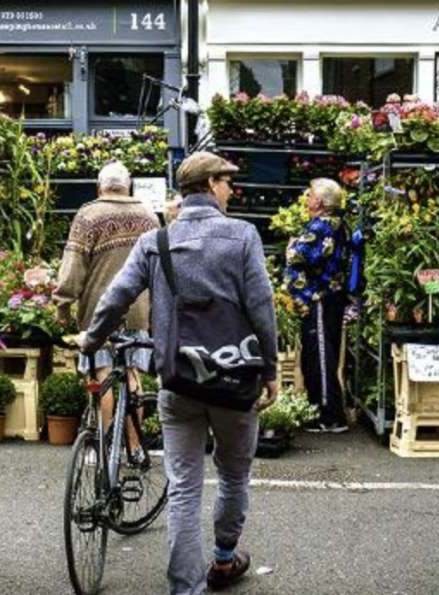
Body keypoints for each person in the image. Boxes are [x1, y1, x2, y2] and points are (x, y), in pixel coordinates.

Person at [79, 151, 279, 595]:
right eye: (227, 181)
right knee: (231, 475)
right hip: (235, 378)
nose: (231, 189)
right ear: (209, 185)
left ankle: (185, 588)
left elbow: (116, 298)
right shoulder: (243, 236)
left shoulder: (157, 242)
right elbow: (262, 309)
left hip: (179, 381)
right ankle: (224, 560)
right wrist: (270, 368)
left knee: (184, 486)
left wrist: (91, 341)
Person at [53, 161, 159, 455]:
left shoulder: (89, 215)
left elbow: (73, 267)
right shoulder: (149, 217)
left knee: (104, 373)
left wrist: (62, 306)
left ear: (100, 187)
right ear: (129, 186)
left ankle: (105, 449)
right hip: (138, 310)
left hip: (98, 313)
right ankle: (135, 448)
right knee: (133, 374)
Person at [284, 178, 351, 433]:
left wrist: (292, 245)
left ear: (320, 201)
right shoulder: (331, 223)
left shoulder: (325, 225)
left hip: (320, 299)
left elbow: (296, 254)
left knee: (321, 355)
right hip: (322, 299)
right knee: (317, 354)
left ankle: (329, 414)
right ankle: (321, 410)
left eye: (310, 194)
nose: (307, 198)